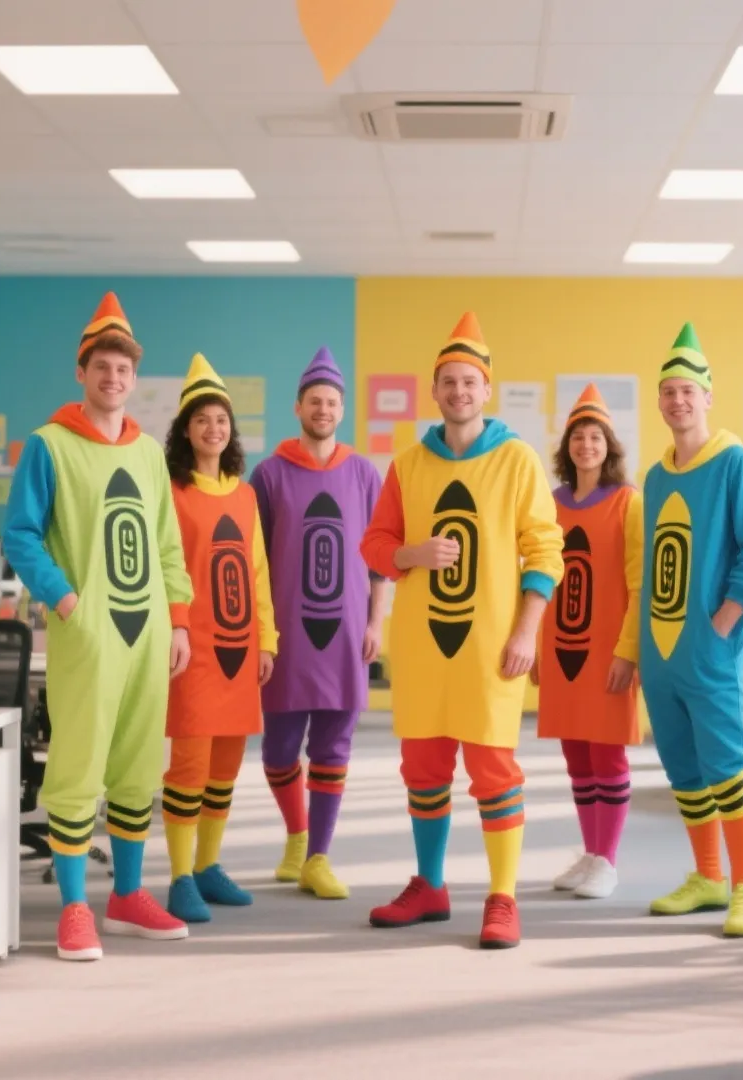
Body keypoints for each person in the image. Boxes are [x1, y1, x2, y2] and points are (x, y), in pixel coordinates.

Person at [361, 311, 563, 950]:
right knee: (422, 769)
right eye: (448, 381)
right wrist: (410, 556)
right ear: (435, 389)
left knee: (493, 769)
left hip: (490, 647)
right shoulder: (408, 464)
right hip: (422, 647)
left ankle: (502, 897)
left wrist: (527, 632)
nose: (459, 392)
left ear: (486, 389)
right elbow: (375, 544)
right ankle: (431, 885)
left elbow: (545, 551)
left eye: (469, 381)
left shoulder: (517, 460)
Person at [2, 292, 195, 961]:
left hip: (148, 633)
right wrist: (64, 602)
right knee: (79, 763)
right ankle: (76, 906)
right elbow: (21, 536)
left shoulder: (147, 454)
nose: (113, 377)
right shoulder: (48, 446)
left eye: (123, 369)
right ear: (82, 372)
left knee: (140, 764)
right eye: (102, 366)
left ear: (134, 380)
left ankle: (129, 896)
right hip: (88, 632)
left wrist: (179, 620)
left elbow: (167, 542)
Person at [640, 322, 743, 938]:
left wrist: (727, 615)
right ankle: (707, 877)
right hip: (660, 648)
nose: (677, 401)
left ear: (707, 396)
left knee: (727, 766)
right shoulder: (655, 475)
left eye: (686, 391)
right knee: (684, 768)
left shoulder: (736, 463)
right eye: (667, 391)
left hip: (710, 646)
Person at [251, 347, 388, 901]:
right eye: (315, 401)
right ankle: (296, 833)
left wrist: (378, 621)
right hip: (285, 635)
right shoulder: (269, 473)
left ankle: (318, 857)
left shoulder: (363, 473)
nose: (324, 409)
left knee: (335, 746)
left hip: (348, 631)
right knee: (280, 749)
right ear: (299, 407)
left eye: (332, 402)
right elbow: (254, 559)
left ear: (342, 408)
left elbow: (380, 557)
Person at [159, 353, 277, 924]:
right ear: (186, 429)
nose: (213, 428)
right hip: (194, 648)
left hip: (240, 645)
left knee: (226, 765)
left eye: (222, 420)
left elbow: (258, 570)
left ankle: (208, 865)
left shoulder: (246, 494)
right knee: (189, 763)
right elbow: (169, 567)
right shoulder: (171, 491)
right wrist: (175, 628)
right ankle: (179, 875)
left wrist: (269, 640)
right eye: (202, 419)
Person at [537, 384, 642, 901]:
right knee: (576, 756)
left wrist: (629, 650)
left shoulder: (628, 502)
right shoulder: (549, 505)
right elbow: (536, 574)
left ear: (609, 446)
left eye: (595, 436)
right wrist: (535, 645)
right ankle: (591, 851)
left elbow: (639, 580)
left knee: (608, 756)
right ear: (567, 447)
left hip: (608, 649)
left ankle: (609, 859)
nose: (586, 444)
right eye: (578, 436)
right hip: (561, 646)